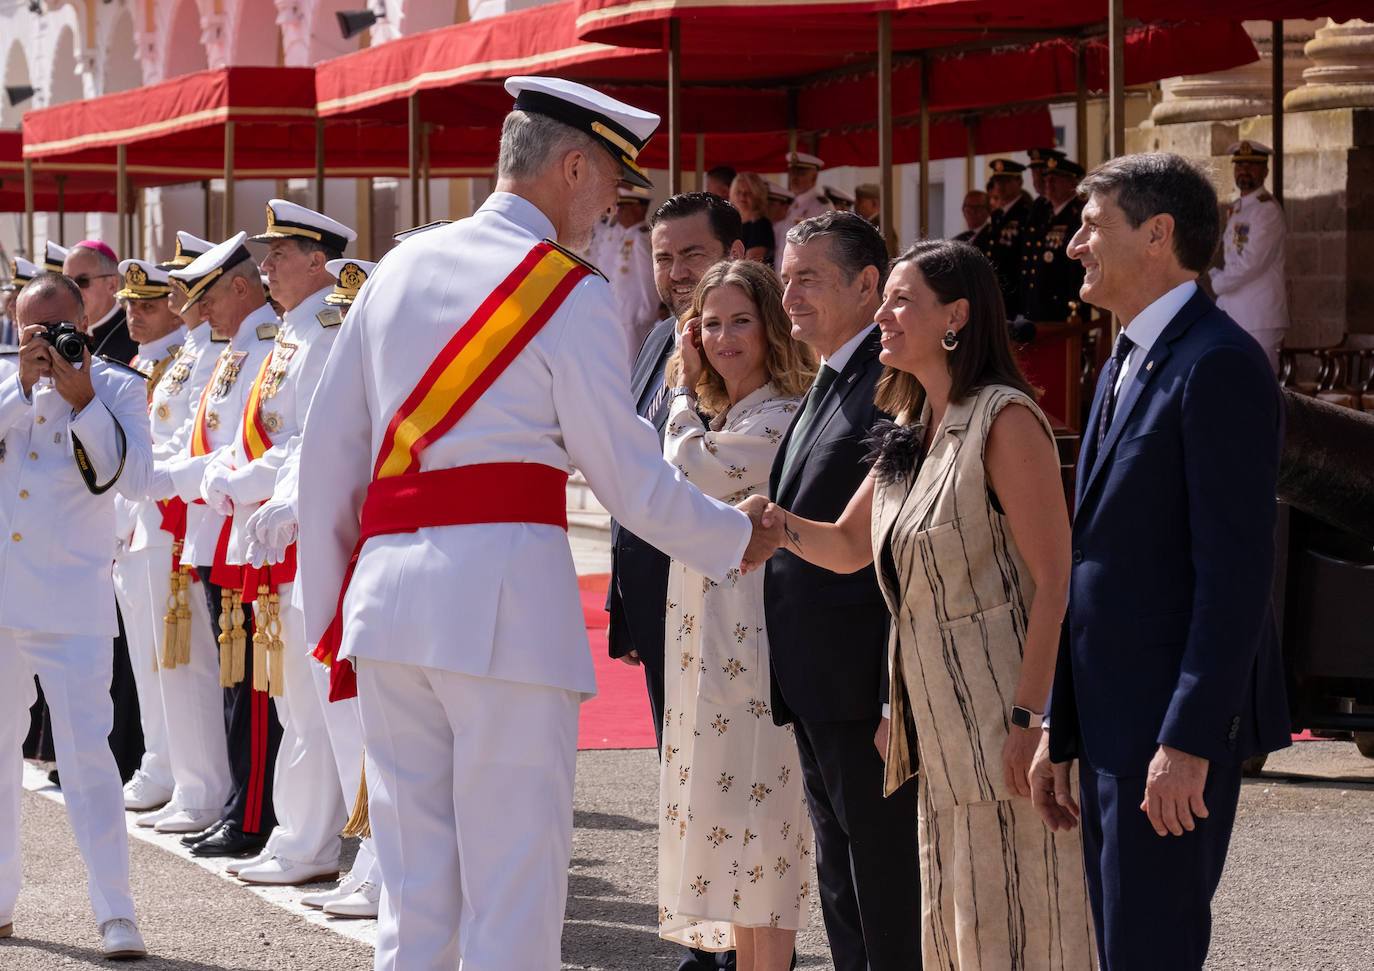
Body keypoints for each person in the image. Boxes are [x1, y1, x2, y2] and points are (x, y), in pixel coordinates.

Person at [296, 75, 774, 971]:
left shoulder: (397, 267)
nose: (611, 210)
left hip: (388, 606)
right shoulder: (565, 290)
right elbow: (628, 477)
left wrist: (336, 615)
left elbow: (328, 460)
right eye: (608, 187)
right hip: (507, 612)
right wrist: (737, 536)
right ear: (571, 165)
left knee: (413, 895)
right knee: (514, 893)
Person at [748, 239, 1097, 969]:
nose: (882, 314)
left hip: (1005, 721)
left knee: (1029, 919)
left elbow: (1055, 579)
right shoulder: (910, 429)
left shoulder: (1005, 420)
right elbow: (845, 546)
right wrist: (772, 523)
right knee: (958, 926)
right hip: (936, 735)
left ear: (956, 316)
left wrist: (1032, 719)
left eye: (900, 299)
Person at [1030, 152, 1290, 971]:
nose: (1074, 244)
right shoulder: (1120, 362)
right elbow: (1095, 563)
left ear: (1158, 234)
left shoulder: (1218, 363)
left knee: (1150, 950)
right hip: (1110, 721)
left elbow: (1237, 573)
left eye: (1092, 224)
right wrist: (1058, 724)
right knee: (1121, 947)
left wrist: (1188, 739)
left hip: (1166, 733)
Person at [769, 211, 920, 971]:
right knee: (841, 881)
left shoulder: (890, 387)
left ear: (868, 284)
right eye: (786, 276)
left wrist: (766, 523)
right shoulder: (829, 379)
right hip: (817, 683)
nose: (789, 294)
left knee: (886, 887)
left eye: (809, 278)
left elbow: (875, 544)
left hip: (866, 685)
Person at [658, 260, 816, 968]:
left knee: (764, 837)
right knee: (732, 835)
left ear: (772, 326)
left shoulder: (780, 413)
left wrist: (683, 394)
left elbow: (692, 469)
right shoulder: (732, 414)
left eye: (740, 320)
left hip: (759, 653)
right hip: (714, 649)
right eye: (711, 323)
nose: (724, 338)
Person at [607, 191, 746, 971]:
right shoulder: (659, 335)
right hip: (659, 592)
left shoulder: (749, 344)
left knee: (732, 773)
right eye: (663, 256)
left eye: (691, 253)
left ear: (734, 251)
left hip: (723, 594)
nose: (674, 271)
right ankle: (707, 934)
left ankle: (753, 943)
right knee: (682, 770)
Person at [0, 272, 153, 958]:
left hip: (74, 602)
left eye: (57, 332)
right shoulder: (3, 382)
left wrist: (82, 398)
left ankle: (115, 912)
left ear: (84, 325)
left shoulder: (118, 388)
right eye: (30, 332)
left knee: (91, 762)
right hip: (3, 602)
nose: (44, 345)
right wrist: (20, 385)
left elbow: (131, 477)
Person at [159, 233, 282, 859]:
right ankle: (243, 801)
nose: (200, 312)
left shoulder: (264, 344)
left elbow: (237, 448)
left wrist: (169, 478)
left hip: (246, 528)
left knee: (253, 683)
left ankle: (254, 810)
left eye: (209, 298)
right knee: (236, 681)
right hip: (219, 529)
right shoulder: (237, 343)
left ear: (240, 288)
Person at [120, 238, 233, 837]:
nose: (188, 295)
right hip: (151, 518)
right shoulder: (186, 354)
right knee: (159, 663)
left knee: (185, 662)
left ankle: (202, 787)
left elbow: (185, 446)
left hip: (175, 516)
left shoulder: (210, 354)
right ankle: (177, 773)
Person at [110, 258, 188, 817]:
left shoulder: (186, 361)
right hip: (134, 528)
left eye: (148, 303)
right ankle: (159, 761)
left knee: (173, 663)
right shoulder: (140, 363)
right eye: (130, 304)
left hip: (167, 526)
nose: (135, 314)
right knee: (145, 657)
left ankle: (180, 771)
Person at [1208, 141, 1289, 372]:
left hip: (1259, 316)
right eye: (1239, 165)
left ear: (1265, 171)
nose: (1244, 170)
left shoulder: (1267, 210)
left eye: (1251, 166)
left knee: (1260, 382)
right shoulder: (1240, 207)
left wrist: (1217, 282)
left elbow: (1251, 263)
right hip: (1235, 311)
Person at [1020, 157, 1087, 322]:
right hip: (1038, 307)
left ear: (1071, 183)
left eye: (1054, 180)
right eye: (1046, 179)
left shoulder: (1079, 215)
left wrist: (1076, 305)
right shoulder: (1044, 213)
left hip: (1063, 311)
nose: (1048, 184)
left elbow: (1077, 268)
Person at [602, 185, 662, 359]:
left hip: (636, 316)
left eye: (624, 207)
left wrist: (648, 312)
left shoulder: (641, 237)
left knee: (633, 367)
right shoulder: (627, 235)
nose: (618, 211)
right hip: (622, 312)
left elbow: (649, 277)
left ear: (639, 207)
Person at [63, 240, 138, 364]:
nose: (74, 290)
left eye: (83, 281)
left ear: (112, 285)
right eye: (67, 282)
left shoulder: (134, 336)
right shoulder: (65, 335)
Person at [983, 159, 1032, 319]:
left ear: (1019, 182)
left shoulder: (1026, 213)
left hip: (1015, 293)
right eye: (997, 181)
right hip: (997, 292)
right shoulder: (998, 215)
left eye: (1006, 181)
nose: (1000, 186)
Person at [729, 172, 775, 265]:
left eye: (748, 193)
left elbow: (752, 262)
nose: (743, 197)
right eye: (739, 192)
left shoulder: (761, 224)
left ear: (758, 196)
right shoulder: (730, 223)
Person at [784, 152, 830, 228]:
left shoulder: (821, 205)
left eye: (801, 174)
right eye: (792, 172)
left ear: (814, 178)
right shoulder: (793, 204)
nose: (794, 178)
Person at [766, 183, 795, 269]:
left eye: (771, 204)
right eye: (766, 203)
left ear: (785, 207)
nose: (766, 207)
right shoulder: (770, 226)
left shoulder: (791, 230)